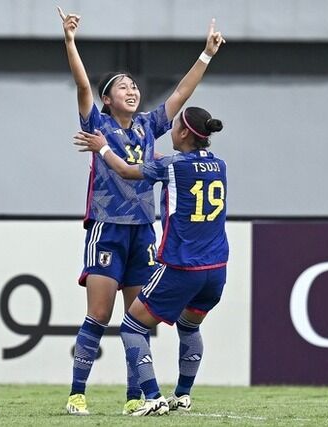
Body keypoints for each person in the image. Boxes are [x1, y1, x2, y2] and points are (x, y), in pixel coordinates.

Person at [57, 6, 225, 416]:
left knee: (138, 317)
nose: (131, 90)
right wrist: (70, 42)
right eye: (122, 87)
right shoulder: (98, 125)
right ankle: (77, 393)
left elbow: (181, 95)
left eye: (133, 85)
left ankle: (137, 396)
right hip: (107, 228)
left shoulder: (149, 125)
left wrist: (205, 55)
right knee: (98, 314)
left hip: (143, 231)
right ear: (107, 99)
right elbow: (81, 84)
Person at [73, 106, 228, 416]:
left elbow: (126, 171)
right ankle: (182, 395)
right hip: (217, 269)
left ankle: (153, 396)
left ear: (182, 133)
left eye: (175, 126)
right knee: (189, 325)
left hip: (181, 266)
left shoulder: (172, 167)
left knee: (131, 326)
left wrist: (102, 147)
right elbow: (168, 163)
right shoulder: (219, 165)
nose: (169, 130)